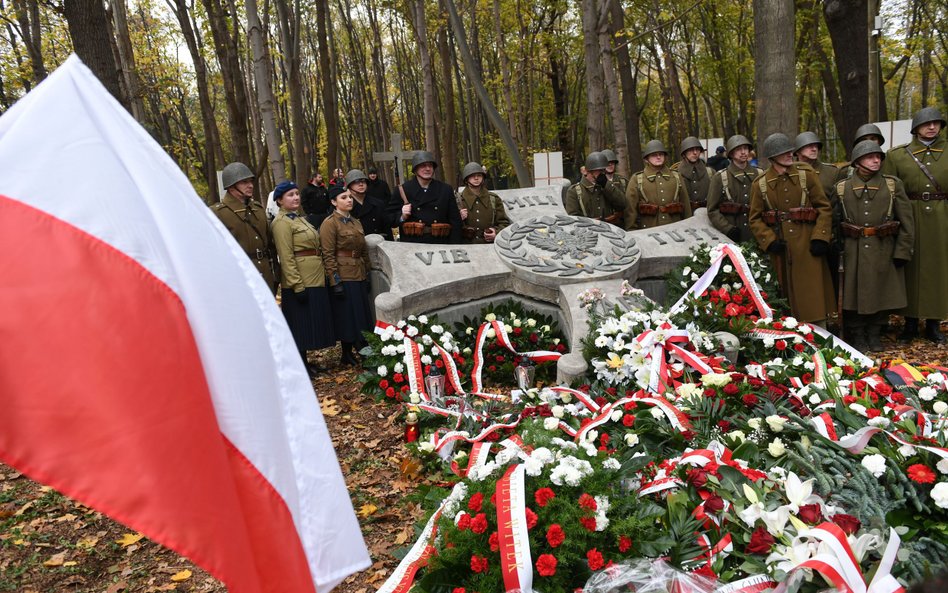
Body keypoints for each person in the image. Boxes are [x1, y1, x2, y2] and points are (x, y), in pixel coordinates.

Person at [832, 140, 915, 351]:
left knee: (881, 290)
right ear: (858, 161)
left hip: (884, 248)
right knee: (853, 293)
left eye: (878, 157)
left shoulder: (892, 184)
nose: (876, 160)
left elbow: (907, 221)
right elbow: (833, 223)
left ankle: (875, 333)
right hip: (853, 250)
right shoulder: (842, 188)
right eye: (870, 157)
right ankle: (858, 334)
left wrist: (902, 250)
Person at [749, 133, 835, 324]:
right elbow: (754, 219)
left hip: (808, 244)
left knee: (813, 296)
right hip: (781, 248)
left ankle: (820, 331)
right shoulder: (760, 184)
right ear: (772, 157)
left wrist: (820, 237)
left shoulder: (806, 175)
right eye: (783, 152)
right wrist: (769, 240)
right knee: (784, 298)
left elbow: (824, 207)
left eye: (790, 151)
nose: (789, 154)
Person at [882, 106, 948, 343]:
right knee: (908, 269)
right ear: (916, 128)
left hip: (942, 219)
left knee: (939, 271)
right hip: (908, 216)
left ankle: (934, 323)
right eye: (926, 123)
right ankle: (909, 323)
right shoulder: (897, 155)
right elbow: (887, 190)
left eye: (936, 123)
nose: (932, 127)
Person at [270, 181, 335, 377]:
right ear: (280, 200)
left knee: (309, 323)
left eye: (297, 194)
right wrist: (296, 284)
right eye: (290, 195)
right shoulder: (281, 223)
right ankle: (301, 365)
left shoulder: (299, 219)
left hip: (314, 277)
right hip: (301, 281)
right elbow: (286, 256)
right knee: (300, 325)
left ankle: (307, 363)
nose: (296, 198)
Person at [321, 187, 375, 366]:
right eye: (344, 197)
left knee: (360, 314)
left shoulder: (355, 222)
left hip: (358, 272)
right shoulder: (330, 223)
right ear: (334, 202)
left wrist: (367, 272)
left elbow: (363, 250)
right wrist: (334, 280)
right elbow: (328, 254)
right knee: (348, 315)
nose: (349, 200)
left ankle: (358, 350)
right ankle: (351, 351)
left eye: (350, 197)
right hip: (344, 275)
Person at [212, 162, 277, 292]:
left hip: (265, 275)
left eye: (251, 181)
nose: (250, 185)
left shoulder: (257, 209)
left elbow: (270, 245)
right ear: (231, 187)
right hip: (239, 277)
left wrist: (276, 274)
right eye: (244, 182)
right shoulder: (218, 213)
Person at [387, 151, 463, 243]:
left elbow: (455, 221)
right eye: (423, 165)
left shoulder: (445, 190)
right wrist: (402, 216)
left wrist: (454, 245)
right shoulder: (402, 190)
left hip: (440, 243)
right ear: (415, 170)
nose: (427, 169)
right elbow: (389, 220)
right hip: (412, 244)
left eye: (430, 166)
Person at [707, 135, 763, 242]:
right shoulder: (721, 177)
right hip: (731, 237)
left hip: (757, 235)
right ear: (731, 153)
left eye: (745, 148)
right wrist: (727, 229)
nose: (743, 152)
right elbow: (712, 210)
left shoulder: (759, 174)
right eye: (738, 149)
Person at [625, 140, 691, 230]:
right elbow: (631, 209)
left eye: (661, 154)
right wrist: (631, 231)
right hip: (648, 230)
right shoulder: (637, 179)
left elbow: (685, 204)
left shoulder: (676, 176)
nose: (658, 157)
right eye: (654, 155)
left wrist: (688, 227)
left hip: (675, 228)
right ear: (646, 159)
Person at [565, 151, 626, 226]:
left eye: (604, 170)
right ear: (589, 171)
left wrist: (606, 185)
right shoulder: (574, 191)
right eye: (600, 170)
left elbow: (622, 204)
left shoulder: (607, 186)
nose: (603, 173)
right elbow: (573, 219)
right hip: (588, 233)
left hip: (611, 230)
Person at [458, 161, 510, 243]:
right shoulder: (457, 200)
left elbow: (504, 223)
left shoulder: (494, 199)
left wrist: (496, 232)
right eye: (472, 176)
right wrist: (458, 218)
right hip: (466, 247)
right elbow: (448, 225)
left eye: (479, 175)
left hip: (489, 246)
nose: (476, 178)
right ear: (466, 179)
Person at [344, 169, 392, 239]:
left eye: (363, 181)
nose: (361, 184)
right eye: (356, 182)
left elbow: (387, 230)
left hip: (379, 244)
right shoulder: (345, 207)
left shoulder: (378, 204)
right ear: (349, 186)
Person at [793, 131, 842, 197]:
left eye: (816, 146)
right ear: (797, 151)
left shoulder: (832, 172)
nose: (814, 149)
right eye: (809, 146)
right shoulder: (788, 172)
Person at [672, 136, 711, 211]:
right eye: (691, 150)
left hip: (706, 214)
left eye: (697, 149)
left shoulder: (710, 172)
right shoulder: (675, 175)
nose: (695, 152)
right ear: (684, 153)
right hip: (685, 216)